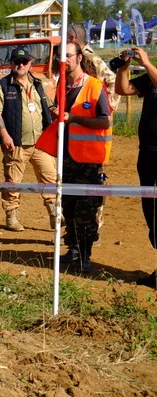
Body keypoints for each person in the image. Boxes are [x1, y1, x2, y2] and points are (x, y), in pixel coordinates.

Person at [56, 41, 113, 274]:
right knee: (68, 207)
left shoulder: (94, 86)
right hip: (66, 158)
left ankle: (85, 255)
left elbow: (104, 121)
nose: (64, 60)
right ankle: (74, 249)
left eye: (68, 56)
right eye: (62, 56)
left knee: (85, 211)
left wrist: (74, 118)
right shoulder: (62, 86)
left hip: (89, 161)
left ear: (79, 57)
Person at [0, 47, 57, 232]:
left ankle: (54, 215)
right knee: (13, 182)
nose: (21, 65)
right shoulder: (2, 85)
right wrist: (5, 135)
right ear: (11, 64)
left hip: (41, 143)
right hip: (16, 143)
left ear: (29, 64)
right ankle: (11, 216)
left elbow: (48, 107)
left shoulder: (38, 84)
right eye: (17, 62)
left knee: (50, 178)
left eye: (24, 62)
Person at [68, 24, 118, 235]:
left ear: (72, 37)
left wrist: (106, 105)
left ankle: (92, 230)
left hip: (92, 129)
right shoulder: (77, 57)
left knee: (89, 190)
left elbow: (111, 81)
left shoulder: (88, 56)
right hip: (77, 138)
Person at [113, 46, 157, 286]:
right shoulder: (150, 79)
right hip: (147, 155)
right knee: (151, 212)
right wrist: (124, 67)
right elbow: (123, 89)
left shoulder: (154, 74)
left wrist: (147, 63)